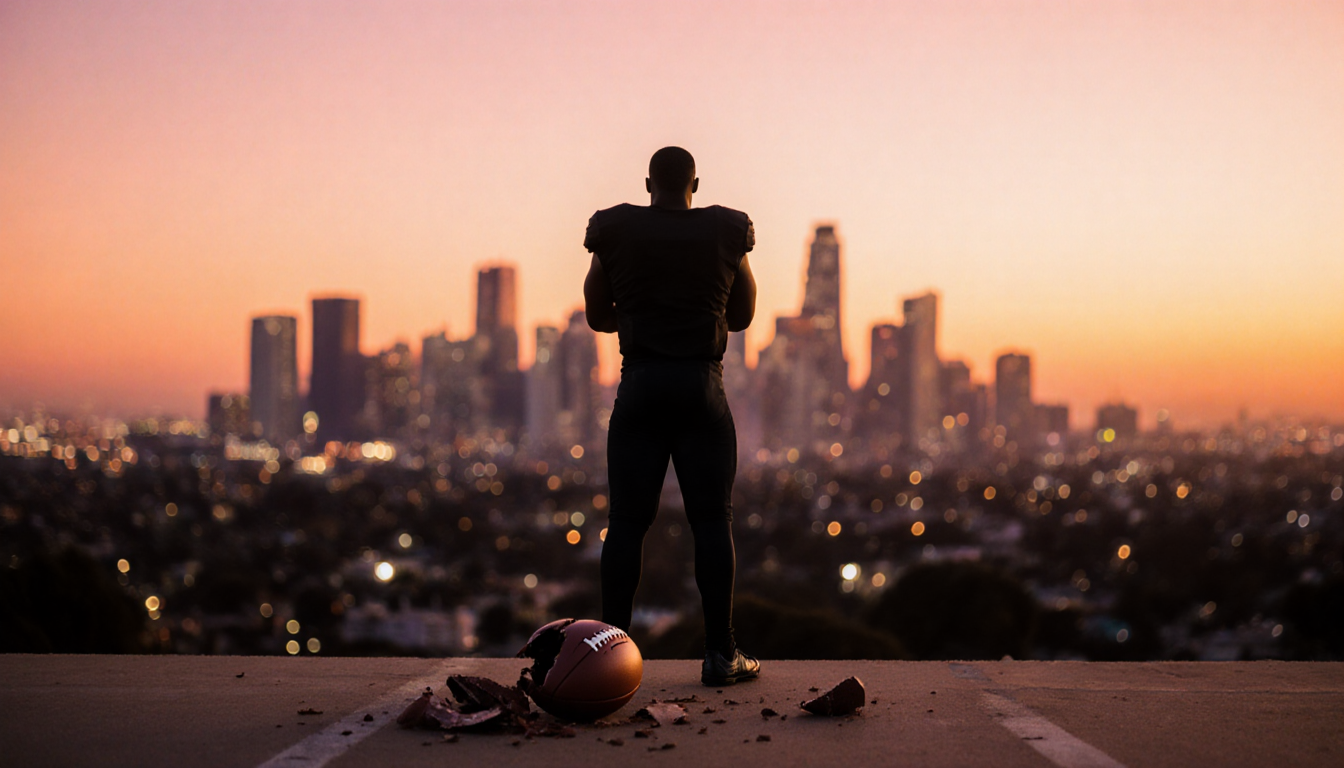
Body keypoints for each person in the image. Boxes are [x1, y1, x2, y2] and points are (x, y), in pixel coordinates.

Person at [583, 146, 761, 686]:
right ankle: (721, 654)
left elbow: (597, 315)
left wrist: (645, 316)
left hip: (640, 385)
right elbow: (743, 314)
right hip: (701, 387)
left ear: (647, 184)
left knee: (626, 524)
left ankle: (610, 660)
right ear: (695, 185)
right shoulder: (727, 229)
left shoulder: (613, 229)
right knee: (711, 521)